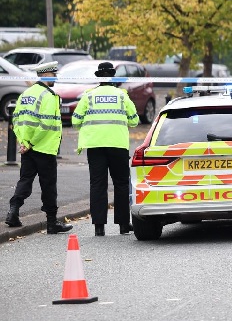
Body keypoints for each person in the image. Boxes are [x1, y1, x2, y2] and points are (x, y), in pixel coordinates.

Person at [5, 61, 73, 234]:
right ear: (46, 75)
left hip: (28, 148)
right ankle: (52, 223)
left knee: (25, 180)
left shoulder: (25, 94)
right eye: (53, 74)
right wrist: (33, 143)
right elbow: (46, 124)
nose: (55, 78)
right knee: (49, 185)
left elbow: (16, 120)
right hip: (44, 148)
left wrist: (24, 142)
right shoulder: (49, 96)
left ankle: (14, 210)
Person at [72, 62, 140, 236]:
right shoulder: (122, 96)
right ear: (113, 76)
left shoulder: (89, 96)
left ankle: (99, 227)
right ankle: (124, 225)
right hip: (118, 145)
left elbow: (75, 121)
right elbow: (134, 120)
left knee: (98, 185)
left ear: (99, 77)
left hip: (95, 146)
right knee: (121, 184)